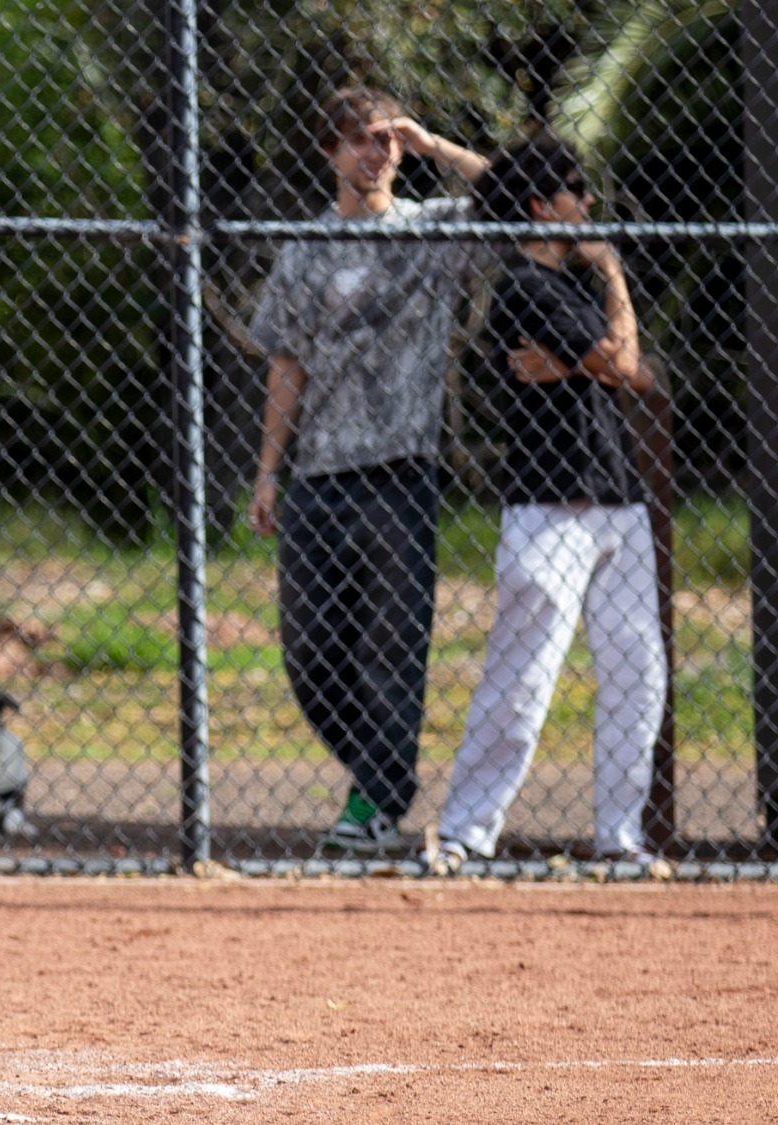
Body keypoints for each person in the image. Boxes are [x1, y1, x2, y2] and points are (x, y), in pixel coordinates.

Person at [246, 87, 491, 854]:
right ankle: (378, 776)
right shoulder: (303, 250)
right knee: (312, 654)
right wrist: (266, 472)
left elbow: (518, 197)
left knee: (391, 647)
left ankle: (375, 805)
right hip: (318, 477)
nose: (372, 152)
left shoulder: (433, 233)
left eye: (383, 139)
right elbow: (287, 365)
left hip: (400, 475)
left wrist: (434, 144)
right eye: (356, 139)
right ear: (330, 153)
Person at [429, 136, 667, 872]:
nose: (587, 202)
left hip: (616, 505)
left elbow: (633, 371)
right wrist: (612, 276)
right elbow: (625, 368)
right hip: (549, 510)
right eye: (573, 190)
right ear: (539, 206)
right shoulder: (525, 288)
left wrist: (597, 338)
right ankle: (466, 834)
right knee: (524, 678)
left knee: (640, 673)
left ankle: (620, 839)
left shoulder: (569, 288)